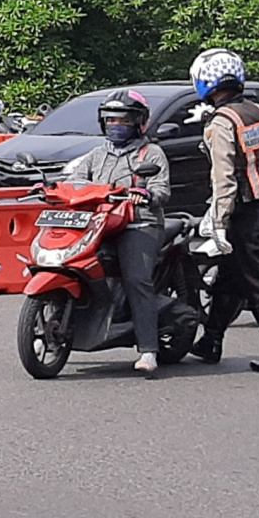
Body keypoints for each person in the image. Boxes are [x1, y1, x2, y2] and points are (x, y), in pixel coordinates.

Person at [60, 90, 171, 374]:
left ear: (138, 122)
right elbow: (74, 181)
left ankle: (148, 349)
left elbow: (161, 189)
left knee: (136, 280)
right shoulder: (96, 155)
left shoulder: (151, 153)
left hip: (140, 223)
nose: (116, 125)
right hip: (100, 223)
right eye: (110, 120)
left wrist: (144, 193)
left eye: (123, 120)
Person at [189, 48, 259, 371]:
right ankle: (211, 339)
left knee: (256, 278)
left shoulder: (222, 122)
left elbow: (224, 179)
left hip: (247, 210)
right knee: (230, 275)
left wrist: (218, 220)